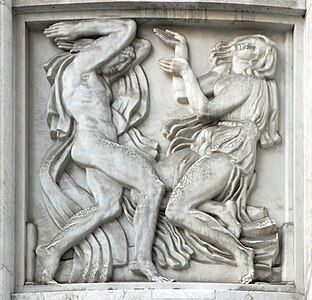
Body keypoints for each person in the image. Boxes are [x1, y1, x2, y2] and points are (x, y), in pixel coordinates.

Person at [36, 19, 171, 284]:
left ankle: (52, 251)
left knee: (108, 207)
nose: (122, 64)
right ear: (102, 50)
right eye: (119, 56)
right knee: (152, 185)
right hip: (94, 144)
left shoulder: (96, 76)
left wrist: (125, 54)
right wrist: (78, 30)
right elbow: (127, 28)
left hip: (94, 147)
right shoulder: (83, 66)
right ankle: (141, 260)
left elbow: (141, 46)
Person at [155, 29, 281, 284]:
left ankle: (241, 253)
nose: (243, 43)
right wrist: (181, 52)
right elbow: (183, 93)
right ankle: (218, 209)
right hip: (206, 148)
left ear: (258, 60)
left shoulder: (247, 82)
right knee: (148, 185)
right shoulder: (223, 74)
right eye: (244, 41)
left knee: (175, 210)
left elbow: (205, 111)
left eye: (251, 47)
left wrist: (187, 70)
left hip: (228, 154)